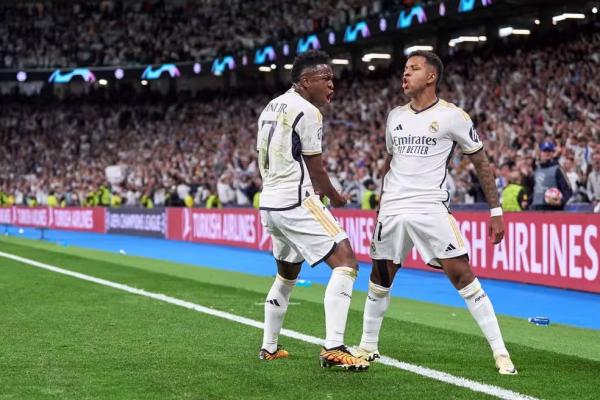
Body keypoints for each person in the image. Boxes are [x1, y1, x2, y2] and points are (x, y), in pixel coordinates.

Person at [353, 51, 517, 375]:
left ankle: (501, 353)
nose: (405, 74)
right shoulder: (394, 117)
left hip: (430, 206)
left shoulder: (453, 116)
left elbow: (480, 162)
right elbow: (391, 163)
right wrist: (382, 205)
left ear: (431, 77)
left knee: (462, 275)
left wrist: (495, 210)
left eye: (413, 68)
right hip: (393, 209)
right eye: (404, 69)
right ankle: (368, 345)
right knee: (379, 279)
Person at [257, 50, 368, 371]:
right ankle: (334, 345)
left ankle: (269, 347)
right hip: (296, 200)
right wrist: (335, 197)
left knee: (286, 275)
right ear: (305, 82)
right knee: (346, 261)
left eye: (332, 78)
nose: (332, 84)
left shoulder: (271, 105)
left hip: (270, 203)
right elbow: (316, 169)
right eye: (325, 79)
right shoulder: (308, 111)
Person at [530, 141, 572, 210]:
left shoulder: (557, 169)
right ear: (540, 153)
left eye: (549, 151)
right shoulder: (536, 169)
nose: (547, 153)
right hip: (536, 207)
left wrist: (561, 201)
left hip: (552, 208)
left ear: (552, 153)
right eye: (544, 151)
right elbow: (533, 188)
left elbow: (568, 189)